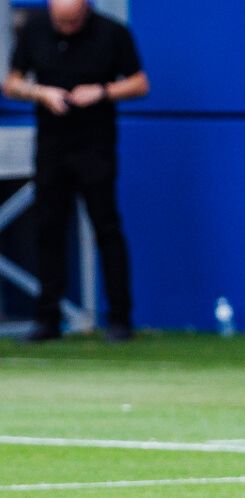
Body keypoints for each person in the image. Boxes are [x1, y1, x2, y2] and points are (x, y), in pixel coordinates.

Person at [2, 0, 149, 341]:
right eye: (61, 20)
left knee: (106, 227)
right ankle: (47, 318)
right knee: (48, 229)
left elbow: (140, 83)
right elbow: (12, 83)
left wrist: (101, 92)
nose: (66, 25)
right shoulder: (34, 30)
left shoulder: (113, 34)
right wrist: (41, 93)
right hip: (51, 145)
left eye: (73, 20)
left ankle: (120, 318)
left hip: (95, 146)